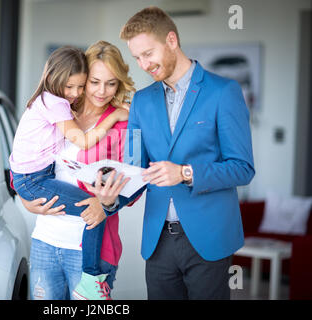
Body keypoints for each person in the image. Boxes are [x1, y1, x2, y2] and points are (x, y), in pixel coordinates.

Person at [86, 6, 255, 300]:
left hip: (209, 239)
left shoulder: (223, 91)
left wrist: (185, 173)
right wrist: (111, 198)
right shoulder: (142, 101)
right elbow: (135, 170)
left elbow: (242, 167)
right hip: (158, 242)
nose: (143, 64)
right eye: (137, 57)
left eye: (148, 53)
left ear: (172, 41)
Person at [18, 41, 136, 300]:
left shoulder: (128, 121)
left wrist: (107, 205)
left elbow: (137, 184)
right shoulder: (59, 109)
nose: (102, 91)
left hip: (89, 249)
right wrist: (27, 201)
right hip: (45, 241)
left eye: (111, 83)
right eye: (94, 82)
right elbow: (28, 163)